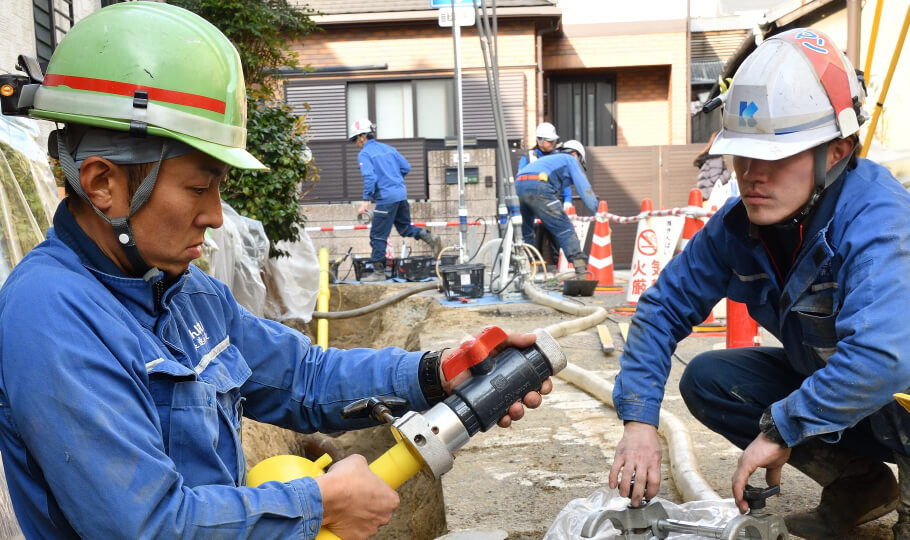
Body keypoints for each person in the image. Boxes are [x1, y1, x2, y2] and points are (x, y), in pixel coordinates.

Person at [0, 4, 550, 539]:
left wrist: (437, 372)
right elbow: (144, 524)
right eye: (198, 187)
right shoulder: (48, 314)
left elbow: (302, 376)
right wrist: (322, 503)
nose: (215, 216)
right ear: (102, 183)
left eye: (219, 188)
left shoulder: (185, 295)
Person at [608, 28, 910, 539]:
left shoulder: (880, 221)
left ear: (836, 151)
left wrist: (783, 425)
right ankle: (860, 483)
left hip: (900, 397)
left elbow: (884, 359)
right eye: (743, 154)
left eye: (774, 156)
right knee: (709, 380)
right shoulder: (740, 227)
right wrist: (639, 422)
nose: (751, 174)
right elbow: (661, 309)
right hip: (857, 397)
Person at [351, 119, 442, 282]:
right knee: (404, 227)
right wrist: (394, 180)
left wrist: (365, 201)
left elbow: (370, 177)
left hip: (386, 198)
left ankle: (379, 272)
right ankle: (430, 238)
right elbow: (406, 167)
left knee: (378, 235)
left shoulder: (364, 153)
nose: (356, 144)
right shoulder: (389, 149)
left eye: (356, 140)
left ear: (363, 136)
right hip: (400, 195)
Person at [514, 140, 598, 279]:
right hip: (538, 184)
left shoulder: (550, 160)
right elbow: (585, 190)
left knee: (526, 232)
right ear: (576, 154)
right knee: (564, 227)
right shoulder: (570, 159)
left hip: (519, 184)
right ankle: (581, 272)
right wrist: (599, 214)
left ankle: (525, 273)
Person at [518, 122, 567, 265]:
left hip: (552, 203)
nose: (553, 143)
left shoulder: (558, 156)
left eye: (554, 140)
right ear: (540, 140)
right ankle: (532, 269)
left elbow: (564, 179)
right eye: (550, 140)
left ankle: (561, 268)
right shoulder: (528, 157)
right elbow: (520, 179)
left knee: (557, 237)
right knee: (533, 238)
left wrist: (568, 199)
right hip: (532, 203)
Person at [693, 131, 731, 200]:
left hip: (704, 195)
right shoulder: (716, 157)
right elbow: (715, 179)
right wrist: (728, 175)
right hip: (710, 196)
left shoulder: (709, 157)